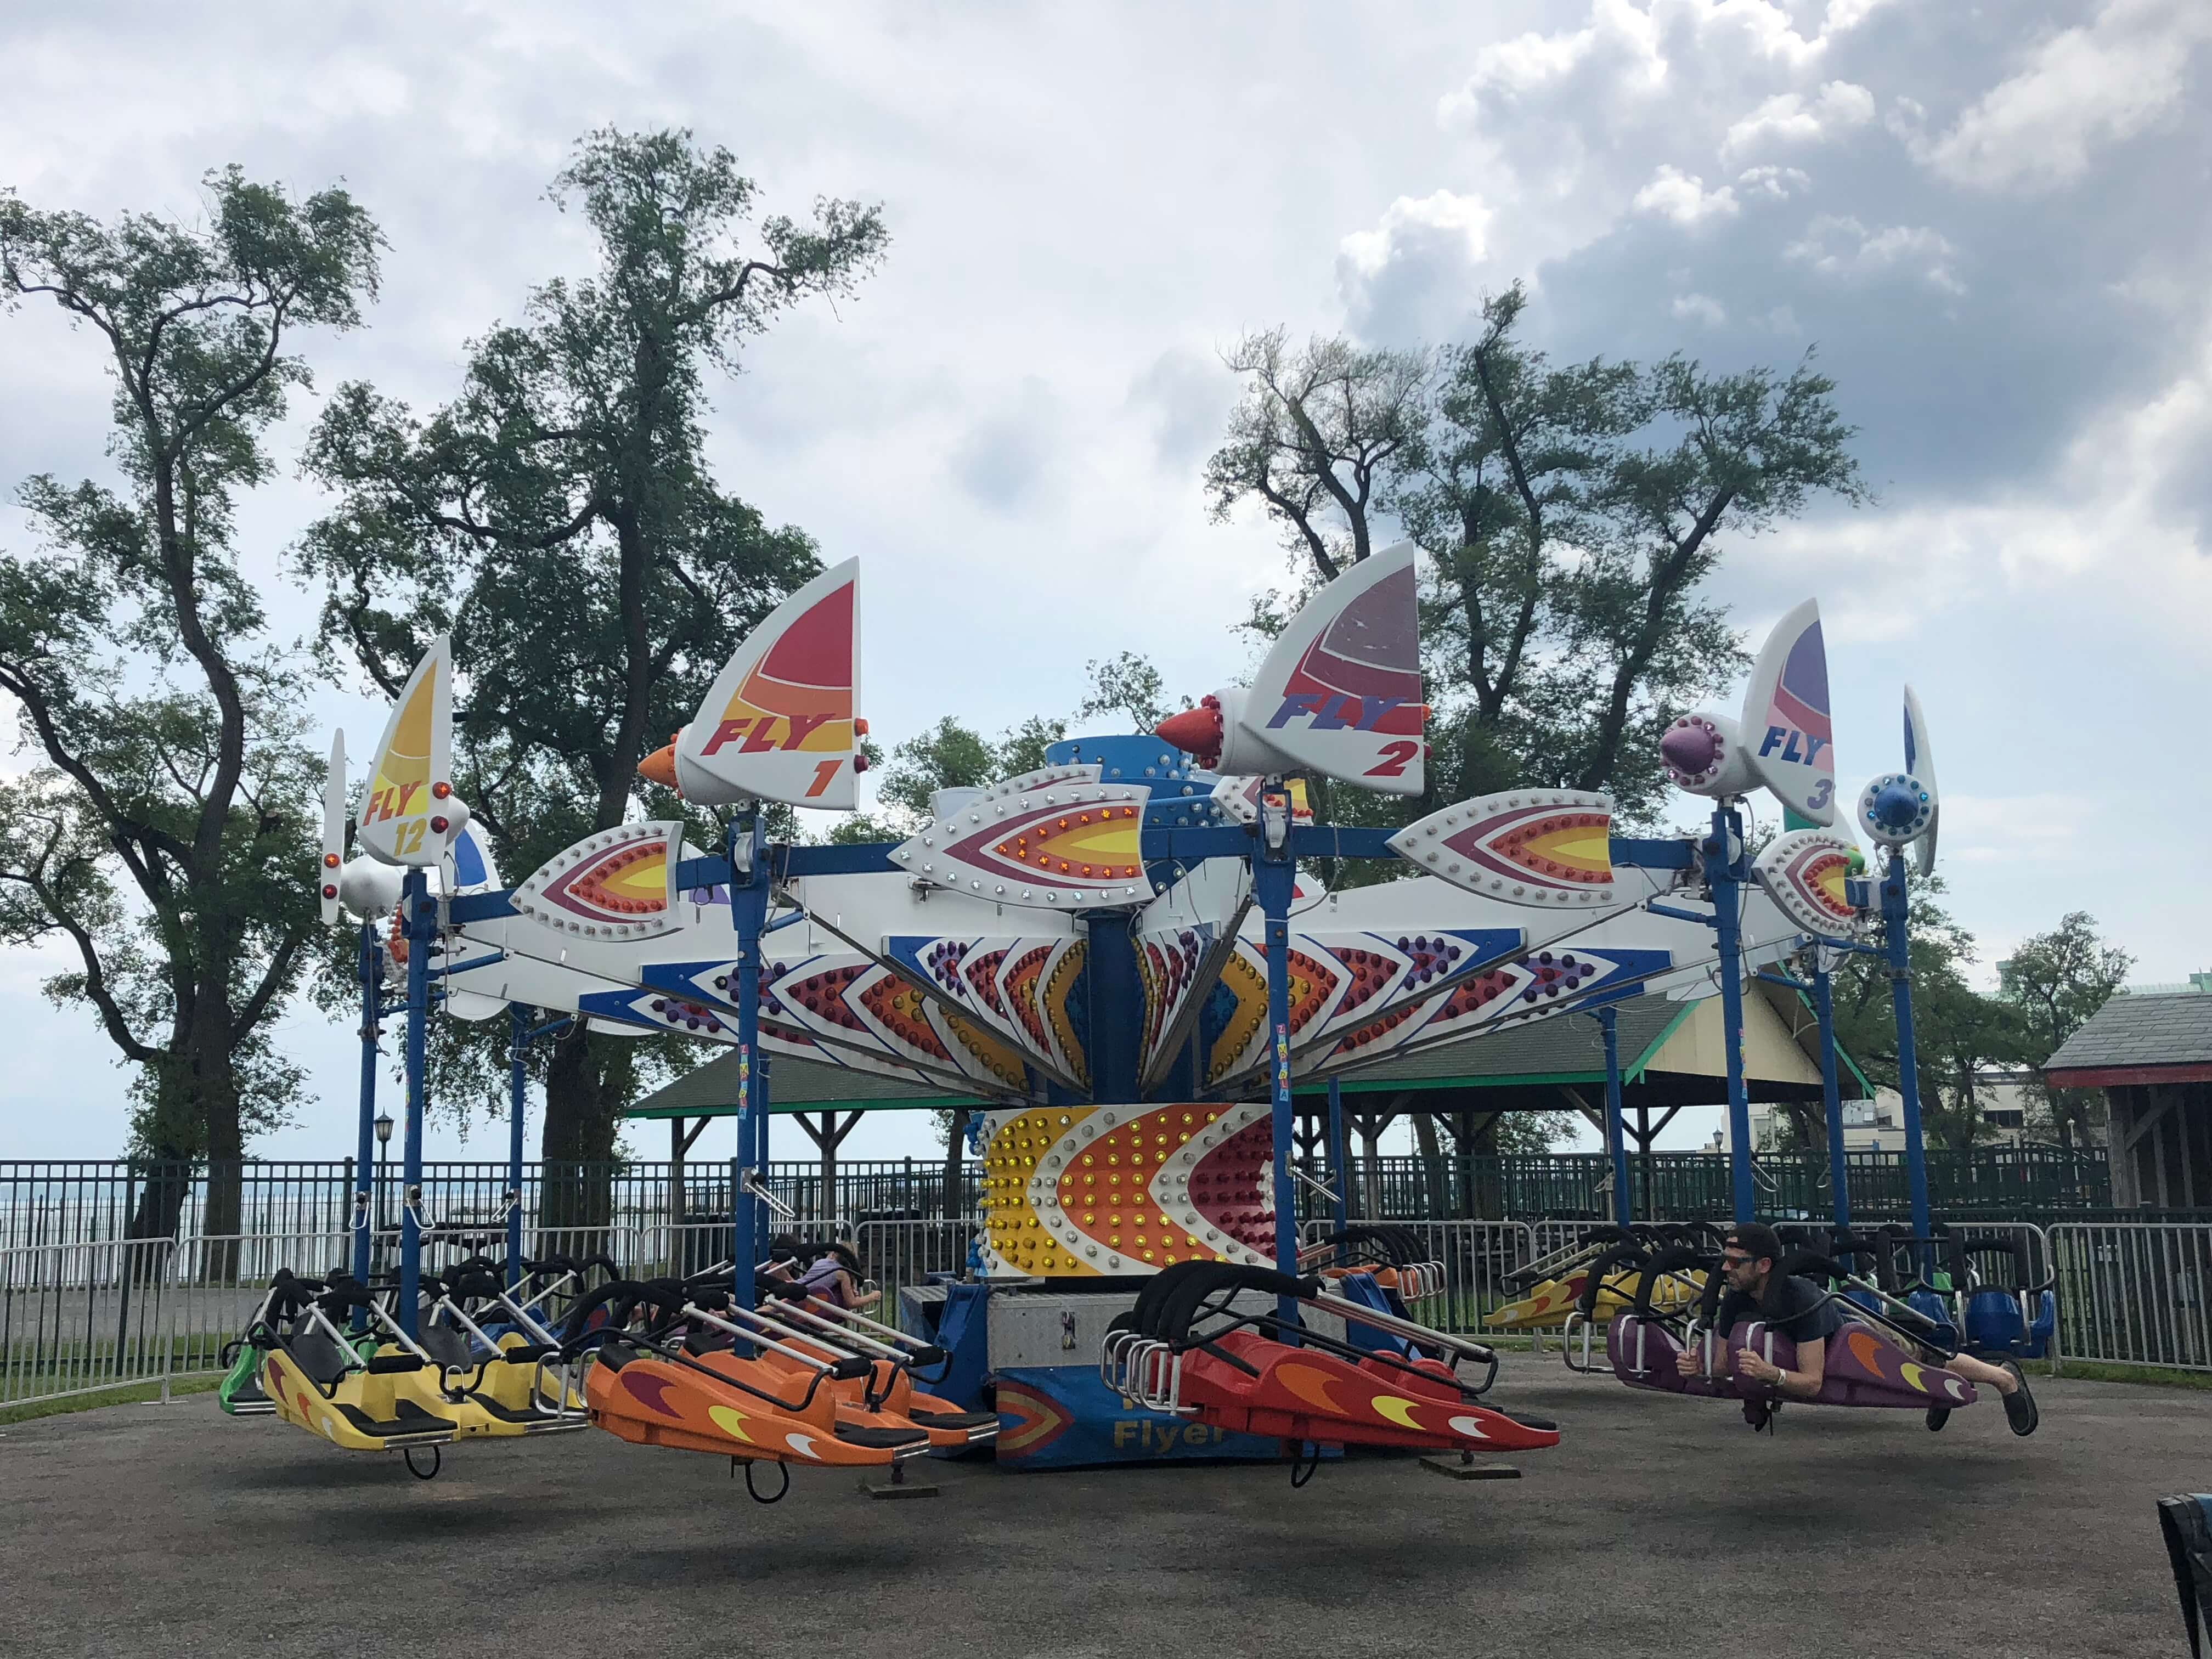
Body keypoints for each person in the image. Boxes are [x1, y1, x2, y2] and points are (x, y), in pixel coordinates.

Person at [1675, 1223, 2036, 1436]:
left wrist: (1773, 1375)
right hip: (1826, 1350)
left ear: (1765, 1264)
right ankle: (1944, 1392)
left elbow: (1813, 1382)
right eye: (1725, 1260)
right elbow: (1724, 1366)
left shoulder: (1800, 1297)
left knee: (1926, 1359)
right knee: (1927, 1367)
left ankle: (2005, 1379)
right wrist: (1700, 1368)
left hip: (1859, 1335)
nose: (1725, 1269)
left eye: (1735, 1262)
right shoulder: (1737, 1299)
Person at [789, 1243, 880, 1313]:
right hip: (799, 1297)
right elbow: (852, 1303)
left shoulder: (821, 1262)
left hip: (793, 1286)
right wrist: (873, 1296)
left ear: (834, 1254)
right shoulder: (842, 1273)